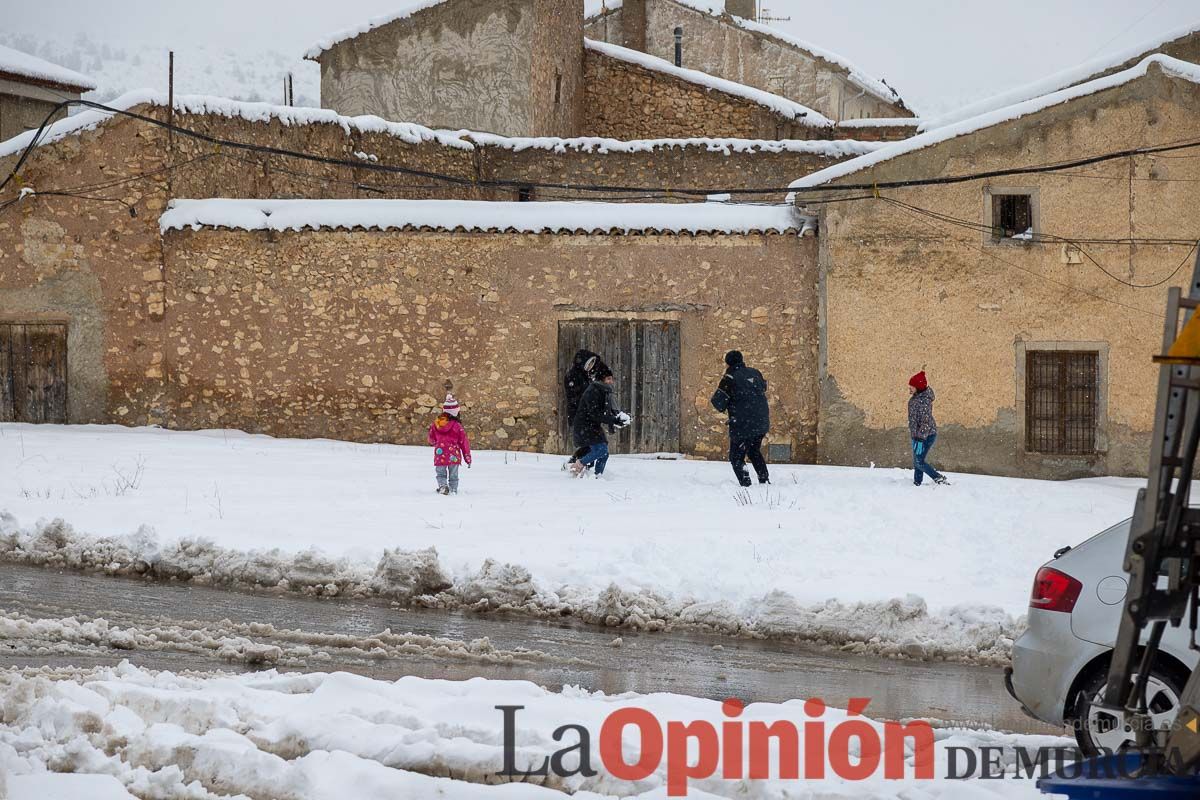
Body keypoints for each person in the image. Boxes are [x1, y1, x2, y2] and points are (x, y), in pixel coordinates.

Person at [711, 350, 770, 487]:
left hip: (743, 423)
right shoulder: (755, 372)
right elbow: (761, 388)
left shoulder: (730, 378)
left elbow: (718, 403)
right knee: (753, 451)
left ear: (727, 363)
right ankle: (764, 479)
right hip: (761, 421)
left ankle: (746, 485)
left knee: (736, 457)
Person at [570, 366, 630, 478]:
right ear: (601, 379)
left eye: (611, 379)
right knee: (601, 450)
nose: (611, 381)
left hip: (593, 425)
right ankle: (577, 465)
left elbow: (608, 411)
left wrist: (619, 418)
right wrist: (613, 419)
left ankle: (597, 476)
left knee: (604, 454)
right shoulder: (593, 391)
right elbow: (595, 414)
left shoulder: (604, 390)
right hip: (585, 425)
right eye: (608, 379)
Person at [563, 350, 609, 468]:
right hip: (579, 415)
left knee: (591, 445)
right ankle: (576, 465)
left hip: (587, 416)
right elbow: (574, 397)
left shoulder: (586, 376)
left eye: (592, 364)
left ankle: (582, 467)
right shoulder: (572, 376)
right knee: (593, 445)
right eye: (588, 364)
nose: (590, 367)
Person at [908, 371, 949, 487]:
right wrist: (915, 436)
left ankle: (938, 478)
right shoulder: (916, 398)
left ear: (918, 387)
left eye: (912, 386)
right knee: (917, 460)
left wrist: (920, 438)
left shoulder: (924, 401)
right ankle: (917, 482)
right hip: (917, 435)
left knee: (919, 461)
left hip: (927, 435)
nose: (909, 388)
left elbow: (925, 422)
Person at [428, 393, 472, 495]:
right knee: (453, 475)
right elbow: (463, 442)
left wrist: (436, 442)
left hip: (440, 453)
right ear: (456, 412)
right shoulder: (457, 426)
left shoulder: (436, 424)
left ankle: (443, 487)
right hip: (454, 455)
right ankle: (453, 490)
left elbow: (431, 439)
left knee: (441, 473)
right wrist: (467, 457)